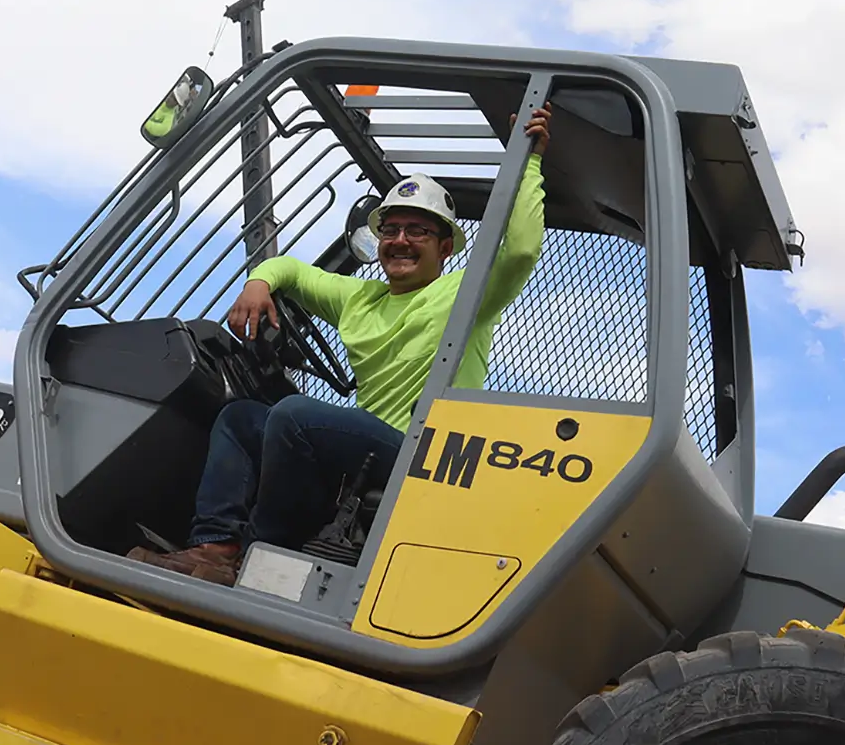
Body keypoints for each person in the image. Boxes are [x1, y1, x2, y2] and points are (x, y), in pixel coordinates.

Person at [128, 104, 554, 585]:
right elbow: (289, 268)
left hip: (423, 455)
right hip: (359, 449)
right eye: (391, 229)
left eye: (418, 230)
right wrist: (258, 284)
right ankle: (215, 547)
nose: (400, 241)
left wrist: (529, 160)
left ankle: (257, 556)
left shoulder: (465, 294)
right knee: (242, 418)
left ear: (445, 247)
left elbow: (518, 250)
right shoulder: (359, 297)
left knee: (293, 414)